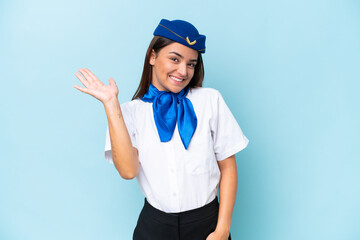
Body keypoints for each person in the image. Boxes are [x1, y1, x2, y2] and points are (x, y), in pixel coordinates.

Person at [73, 19, 249, 240]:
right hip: (154, 227)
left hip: (207, 224)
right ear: (153, 56)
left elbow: (228, 167)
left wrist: (222, 229)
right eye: (174, 59)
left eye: (191, 64)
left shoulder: (210, 100)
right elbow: (128, 171)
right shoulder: (129, 113)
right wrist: (111, 105)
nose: (183, 71)